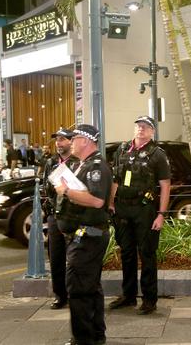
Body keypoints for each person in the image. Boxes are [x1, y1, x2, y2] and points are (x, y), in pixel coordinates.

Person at [53, 124, 111, 345]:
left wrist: (67, 191)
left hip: (88, 236)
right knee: (90, 287)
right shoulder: (82, 165)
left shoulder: (96, 167)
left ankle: (83, 340)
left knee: (78, 289)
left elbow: (97, 201)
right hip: (84, 234)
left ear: (86, 141)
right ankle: (96, 335)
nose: (71, 141)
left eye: (74, 137)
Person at [108, 116, 171, 316]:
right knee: (126, 253)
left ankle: (149, 299)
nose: (141, 129)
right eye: (138, 126)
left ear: (152, 132)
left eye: (146, 127)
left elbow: (165, 185)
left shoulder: (157, 154)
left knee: (147, 254)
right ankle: (128, 296)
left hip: (145, 210)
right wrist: (111, 203)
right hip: (123, 209)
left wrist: (161, 214)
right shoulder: (122, 149)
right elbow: (116, 178)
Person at [42, 128, 79, 310]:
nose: (58, 142)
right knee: (55, 257)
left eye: (63, 139)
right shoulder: (50, 162)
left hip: (73, 216)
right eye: (57, 139)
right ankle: (60, 295)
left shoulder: (78, 162)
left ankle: (76, 294)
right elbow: (45, 187)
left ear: (71, 142)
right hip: (55, 216)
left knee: (75, 258)